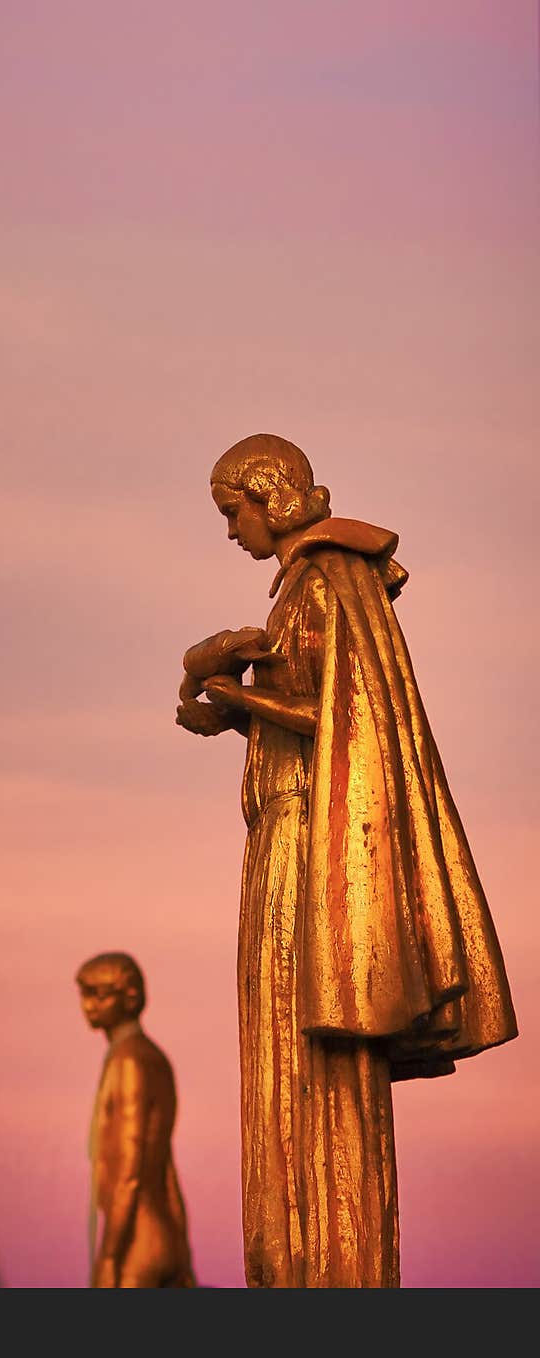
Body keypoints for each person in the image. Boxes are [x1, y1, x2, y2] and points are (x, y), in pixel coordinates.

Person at [176, 434, 517, 1288]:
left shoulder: (330, 577)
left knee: (311, 1053)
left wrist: (232, 691)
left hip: (307, 841)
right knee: (290, 1056)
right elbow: (323, 704)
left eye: (233, 512)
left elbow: (339, 712)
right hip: (285, 836)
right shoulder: (307, 585)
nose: (230, 533)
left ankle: (328, 1263)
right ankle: (299, 1256)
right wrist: (236, 707)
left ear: (270, 495)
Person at [76, 952, 195, 1288]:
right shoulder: (151, 1057)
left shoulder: (127, 1062)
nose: (88, 1006)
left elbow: (129, 1171)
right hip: (162, 1234)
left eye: (98, 995)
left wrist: (110, 1256)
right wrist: (180, 1247)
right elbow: (165, 1168)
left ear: (129, 997)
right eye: (84, 995)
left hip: (135, 1244)